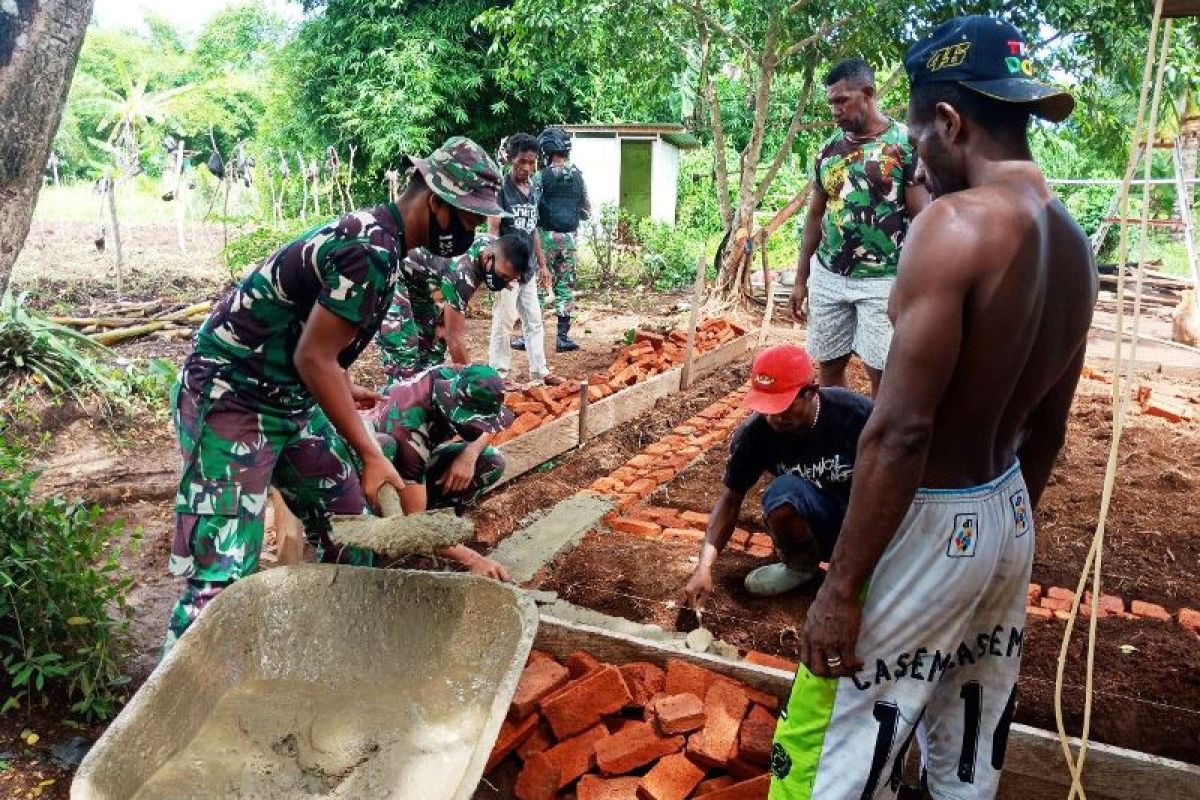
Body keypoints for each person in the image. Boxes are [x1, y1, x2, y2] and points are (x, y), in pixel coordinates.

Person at [769, 17, 1095, 800]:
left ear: (947, 122)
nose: (921, 164)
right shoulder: (1073, 239)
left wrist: (840, 589)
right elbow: (1049, 427)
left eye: (921, 144)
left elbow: (902, 429)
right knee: (965, 749)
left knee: (832, 751)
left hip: (931, 515)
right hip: (1009, 511)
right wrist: (993, 535)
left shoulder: (953, 227)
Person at [165, 137, 508, 651]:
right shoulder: (368, 248)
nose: (473, 232)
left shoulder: (385, 245)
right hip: (230, 398)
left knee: (351, 526)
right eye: (468, 217)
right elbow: (313, 356)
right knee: (222, 574)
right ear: (436, 202)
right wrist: (371, 453)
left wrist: (343, 386)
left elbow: (306, 339)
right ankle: (184, 709)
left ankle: (342, 651)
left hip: (289, 397)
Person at [683, 345, 871, 607]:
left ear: (810, 393)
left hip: (867, 520)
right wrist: (704, 567)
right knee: (782, 493)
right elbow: (730, 500)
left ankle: (873, 569)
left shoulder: (855, 414)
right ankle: (801, 567)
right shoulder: (755, 433)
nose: (775, 417)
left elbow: (900, 481)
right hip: (822, 521)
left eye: (784, 406)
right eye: (767, 406)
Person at [789, 58, 928, 397]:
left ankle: (879, 446)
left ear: (868, 93)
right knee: (829, 364)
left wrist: (918, 285)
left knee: (881, 369)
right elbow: (815, 216)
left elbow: (922, 216)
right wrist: (801, 278)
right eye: (831, 103)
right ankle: (842, 436)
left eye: (842, 100)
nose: (835, 110)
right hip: (829, 275)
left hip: (883, 279)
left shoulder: (904, 146)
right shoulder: (828, 151)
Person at [366, 363, 514, 580]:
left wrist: (469, 455)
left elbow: (488, 425)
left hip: (417, 465)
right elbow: (415, 520)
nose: (480, 429)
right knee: (406, 526)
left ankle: (440, 532)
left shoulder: (458, 378)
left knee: (491, 461)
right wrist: (473, 559)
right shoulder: (407, 430)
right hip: (375, 471)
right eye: (473, 423)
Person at [377, 232, 530, 383]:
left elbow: (466, 284)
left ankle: (424, 393)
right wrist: (476, 385)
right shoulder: (462, 272)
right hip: (390, 268)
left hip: (420, 282)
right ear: (487, 257)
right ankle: (397, 398)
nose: (504, 282)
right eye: (502, 276)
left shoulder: (496, 247)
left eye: (509, 279)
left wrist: (442, 322)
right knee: (403, 345)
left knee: (434, 346)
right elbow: (455, 341)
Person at [488, 132, 561, 386]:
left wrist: (542, 265)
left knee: (534, 320)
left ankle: (540, 372)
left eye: (531, 162)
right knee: (504, 321)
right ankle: (498, 376)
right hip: (507, 269)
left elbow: (533, 229)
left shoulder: (534, 190)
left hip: (528, 268)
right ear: (510, 159)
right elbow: (493, 231)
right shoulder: (501, 190)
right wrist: (495, 269)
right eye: (522, 162)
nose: (526, 168)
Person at [534, 126, 591, 352]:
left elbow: (532, 206)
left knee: (539, 284)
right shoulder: (578, 176)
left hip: (545, 237)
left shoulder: (541, 176)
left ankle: (532, 337)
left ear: (546, 152)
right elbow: (587, 210)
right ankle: (563, 338)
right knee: (565, 286)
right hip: (570, 238)